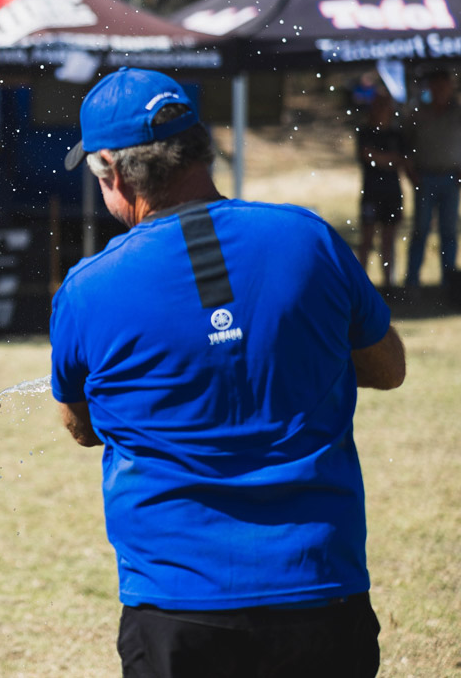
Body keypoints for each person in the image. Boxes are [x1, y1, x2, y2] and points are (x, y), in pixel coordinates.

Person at [50, 67, 406, 678]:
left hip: (177, 604)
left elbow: (81, 427)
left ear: (112, 171)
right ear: (200, 145)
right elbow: (389, 367)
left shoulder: (87, 289)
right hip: (320, 586)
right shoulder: (308, 241)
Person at [404, 67, 461, 296]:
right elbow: (406, 146)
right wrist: (411, 173)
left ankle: (449, 283)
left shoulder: (457, 113)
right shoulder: (418, 114)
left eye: (443, 86)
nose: (440, 90)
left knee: (449, 231)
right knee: (421, 229)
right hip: (425, 177)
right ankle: (412, 282)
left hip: (451, 178)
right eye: (435, 86)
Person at [356, 90, 408, 288]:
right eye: (379, 105)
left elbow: (402, 160)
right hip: (371, 193)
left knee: (389, 240)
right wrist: (388, 159)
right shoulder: (365, 132)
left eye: (386, 106)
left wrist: (379, 158)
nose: (382, 110)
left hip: (392, 194)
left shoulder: (396, 134)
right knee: (367, 239)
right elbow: (367, 155)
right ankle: (361, 285)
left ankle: (389, 284)